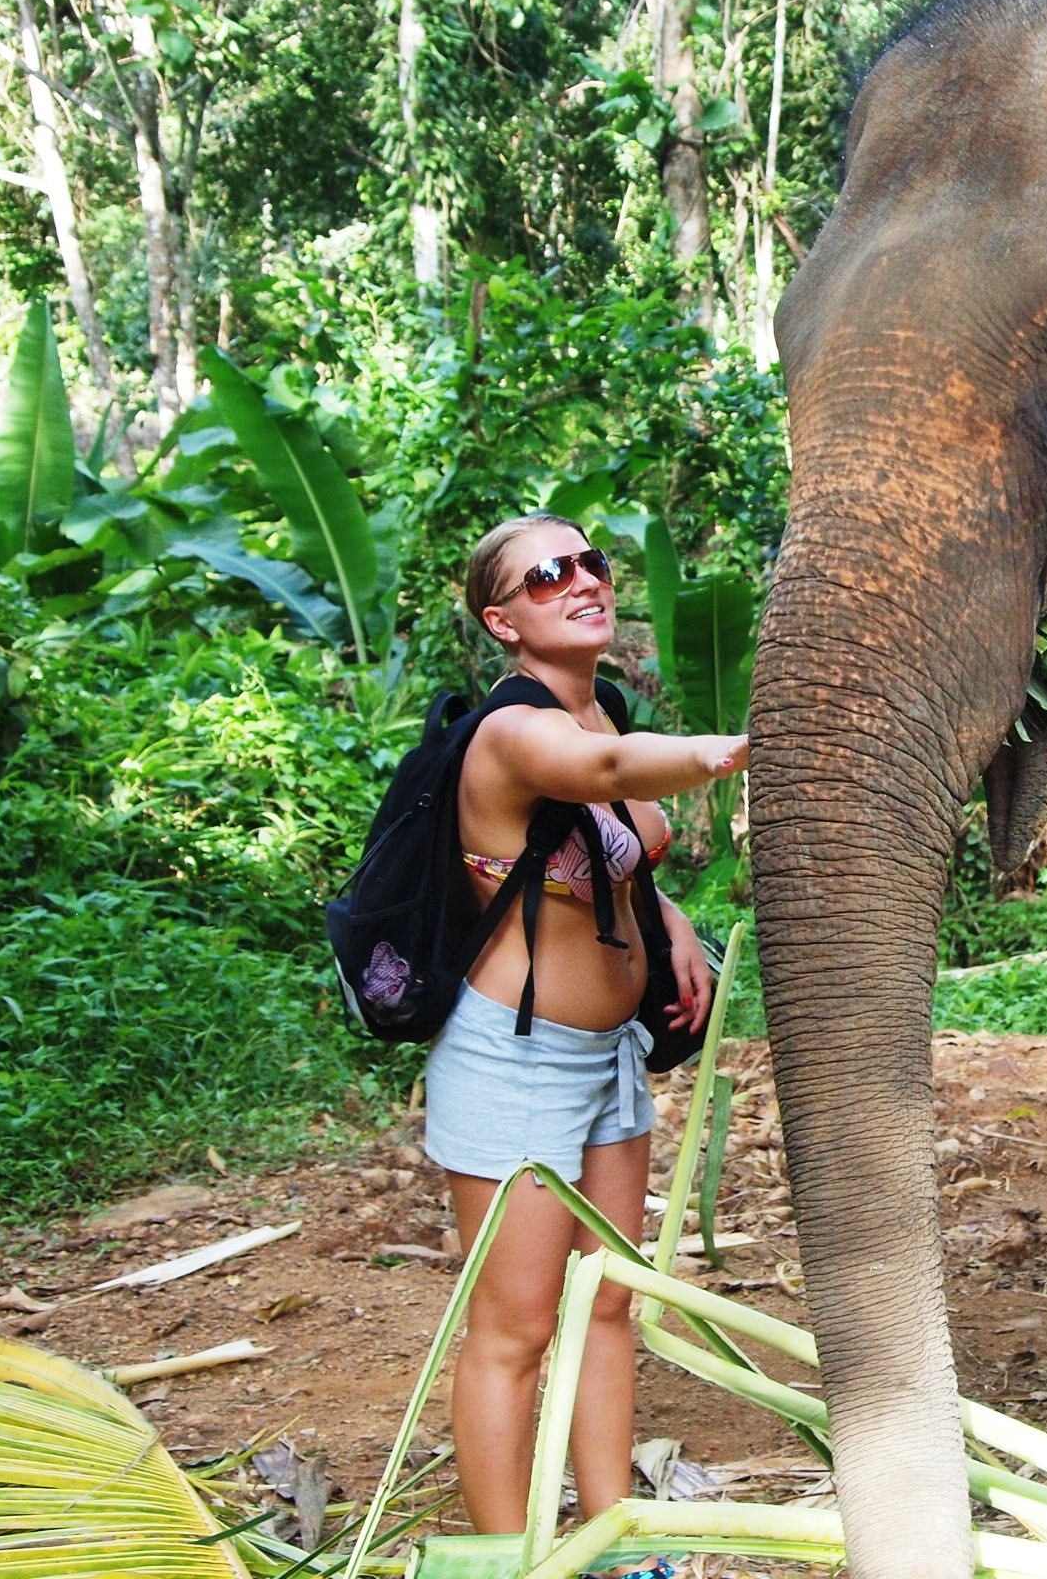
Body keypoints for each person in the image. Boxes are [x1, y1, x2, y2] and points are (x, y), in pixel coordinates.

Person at [425, 512, 749, 1540]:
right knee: (515, 1330)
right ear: (503, 621)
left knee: (609, 1301)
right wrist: (742, 748)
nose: (582, 580)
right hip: (515, 1065)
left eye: (591, 562)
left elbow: (610, 858)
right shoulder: (513, 731)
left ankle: (612, 1538)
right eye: (546, 575)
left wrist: (671, 921)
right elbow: (607, 781)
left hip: (610, 1059)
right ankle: (505, 1558)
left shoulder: (601, 706)